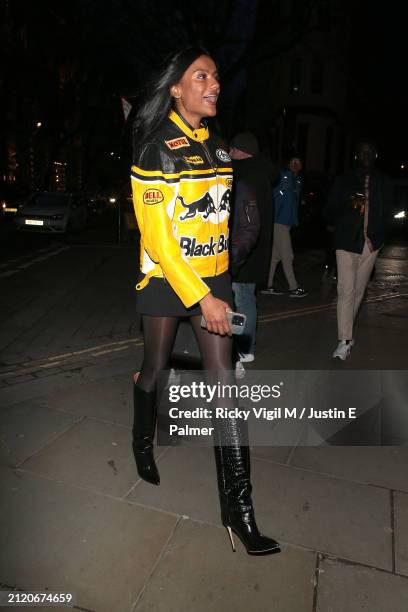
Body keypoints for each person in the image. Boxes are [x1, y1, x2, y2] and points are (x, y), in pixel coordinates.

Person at [130, 47, 280, 555]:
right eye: (202, 75)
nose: (213, 83)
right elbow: (158, 240)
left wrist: (221, 283)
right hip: (165, 279)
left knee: (225, 390)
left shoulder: (218, 150)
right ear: (176, 88)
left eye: (215, 76)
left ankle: (239, 512)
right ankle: (141, 443)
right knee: (153, 368)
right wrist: (201, 298)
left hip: (211, 279)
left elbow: (222, 222)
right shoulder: (155, 149)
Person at [325, 140, 390, 360]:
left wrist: (380, 237)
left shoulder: (382, 181)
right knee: (346, 291)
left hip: (371, 244)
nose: (366, 155)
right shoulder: (345, 180)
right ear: (356, 156)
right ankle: (343, 341)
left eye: (370, 151)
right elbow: (330, 209)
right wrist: (348, 204)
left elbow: (387, 211)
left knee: (359, 292)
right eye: (362, 152)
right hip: (346, 242)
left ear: (375, 155)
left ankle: (347, 332)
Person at [229, 132, 275, 370]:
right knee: (244, 298)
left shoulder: (245, 174)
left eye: (232, 149)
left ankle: (244, 348)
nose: (228, 153)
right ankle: (244, 348)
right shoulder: (262, 173)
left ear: (239, 151)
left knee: (241, 299)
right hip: (253, 248)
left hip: (243, 248)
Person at [262, 155, 309, 297]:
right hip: (278, 221)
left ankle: (267, 285)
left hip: (286, 222)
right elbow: (272, 194)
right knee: (288, 255)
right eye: (292, 161)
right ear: (288, 163)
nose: (295, 164)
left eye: (298, 161)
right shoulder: (283, 176)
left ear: (301, 166)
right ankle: (293, 287)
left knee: (275, 256)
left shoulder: (298, 180)